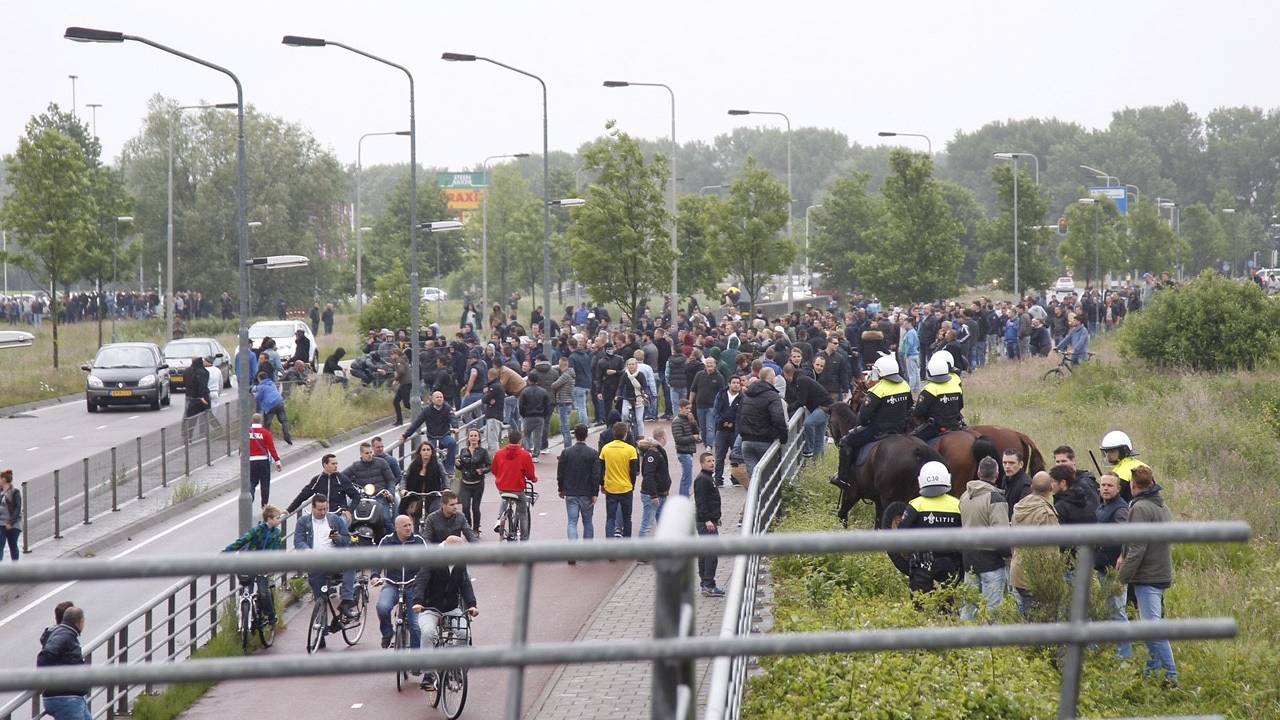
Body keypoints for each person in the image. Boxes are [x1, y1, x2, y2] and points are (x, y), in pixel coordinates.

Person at [1118, 466, 1177, 687]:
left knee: (1153, 627)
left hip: (1148, 576)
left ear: (1133, 485)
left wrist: (1121, 578)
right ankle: (1151, 672)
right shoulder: (1161, 505)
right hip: (1160, 571)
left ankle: (1172, 676)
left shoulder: (1140, 508)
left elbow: (1137, 548)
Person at [410, 535, 480, 692]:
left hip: (451, 609)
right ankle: (428, 675)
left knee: (464, 633)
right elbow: (421, 581)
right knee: (428, 632)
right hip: (430, 608)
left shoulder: (460, 563)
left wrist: (472, 605)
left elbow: (465, 585)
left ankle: (454, 666)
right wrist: (417, 602)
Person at [839, 355, 913, 484]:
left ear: (879, 372)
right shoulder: (905, 385)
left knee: (846, 441)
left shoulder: (877, 390)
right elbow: (909, 407)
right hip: (901, 428)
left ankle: (844, 478)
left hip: (878, 430)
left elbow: (863, 418)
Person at [899, 461, 963, 596]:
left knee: (920, 604)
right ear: (947, 478)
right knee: (947, 603)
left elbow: (901, 534)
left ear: (921, 481)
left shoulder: (916, 505)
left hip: (922, 564)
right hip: (950, 564)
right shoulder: (957, 505)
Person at [958, 457, 1010, 620]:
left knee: (969, 607)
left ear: (979, 472)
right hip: (991, 560)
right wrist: (1007, 555)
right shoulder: (995, 498)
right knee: (993, 609)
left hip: (969, 557)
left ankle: (962, 641)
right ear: (997, 474)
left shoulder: (965, 496)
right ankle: (992, 643)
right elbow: (1001, 534)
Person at [293, 494, 357, 620]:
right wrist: (307, 551)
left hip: (334, 560)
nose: (323, 512)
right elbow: (298, 541)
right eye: (320, 509)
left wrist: (338, 539)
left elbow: (347, 539)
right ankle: (321, 630)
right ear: (312, 508)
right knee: (320, 599)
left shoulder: (334, 519)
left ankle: (346, 601)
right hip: (315, 563)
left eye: (325, 509)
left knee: (351, 563)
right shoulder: (303, 522)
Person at [224, 504, 285, 626]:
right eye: (277, 518)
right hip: (251, 563)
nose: (279, 520)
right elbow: (242, 540)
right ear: (269, 519)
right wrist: (227, 551)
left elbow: (275, 551)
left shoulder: (276, 533)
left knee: (263, 592)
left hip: (265, 566)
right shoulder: (257, 530)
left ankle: (271, 616)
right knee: (248, 590)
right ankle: (246, 618)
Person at [1009, 472, 1059, 617]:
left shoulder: (1019, 508)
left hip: (1018, 570)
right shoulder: (1046, 514)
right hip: (1037, 575)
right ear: (1051, 488)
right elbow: (1051, 550)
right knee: (1042, 620)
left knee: (1025, 616)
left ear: (1031, 487)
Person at [1095, 473, 1132, 660]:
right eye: (1103, 485)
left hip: (1114, 569)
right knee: (1109, 610)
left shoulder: (1120, 509)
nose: (1106, 488)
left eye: (1110, 485)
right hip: (1102, 566)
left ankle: (1124, 656)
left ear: (1118, 489)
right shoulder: (1102, 506)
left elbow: (1125, 535)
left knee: (1117, 611)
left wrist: (1122, 555)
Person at [38, 605, 90, 720]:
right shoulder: (64, 635)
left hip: (72, 696)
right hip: (65, 697)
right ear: (80, 621)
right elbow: (46, 655)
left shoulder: (64, 633)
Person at [737, 368, 788, 481]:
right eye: (774, 377)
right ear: (770, 379)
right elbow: (778, 418)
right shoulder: (772, 396)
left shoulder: (747, 395)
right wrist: (783, 437)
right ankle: (764, 498)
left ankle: (755, 498)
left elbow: (739, 416)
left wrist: (742, 433)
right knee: (768, 478)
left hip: (746, 441)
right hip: (765, 440)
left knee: (754, 478)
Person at [557, 425, 599, 556]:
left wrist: (561, 488)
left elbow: (561, 473)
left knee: (572, 522)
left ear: (574, 435)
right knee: (587, 522)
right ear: (586, 435)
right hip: (586, 492)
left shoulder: (566, 452)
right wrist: (595, 493)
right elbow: (595, 475)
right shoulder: (592, 453)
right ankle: (587, 552)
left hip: (571, 492)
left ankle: (573, 552)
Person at [491, 429, 537, 540]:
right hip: (517, 488)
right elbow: (530, 473)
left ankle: (499, 520)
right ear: (520, 441)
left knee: (504, 498)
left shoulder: (499, 454)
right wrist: (533, 479)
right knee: (523, 512)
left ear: (508, 440)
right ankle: (524, 539)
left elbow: (494, 470)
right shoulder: (524, 455)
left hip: (502, 487)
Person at [402, 391, 460, 476]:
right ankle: (427, 469)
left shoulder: (447, 408)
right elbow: (417, 423)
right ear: (432, 399)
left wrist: (455, 427)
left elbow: (453, 418)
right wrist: (406, 435)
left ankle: (449, 468)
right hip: (432, 437)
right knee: (428, 451)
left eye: (441, 397)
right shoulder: (427, 410)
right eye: (437, 397)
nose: (439, 399)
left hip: (444, 435)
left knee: (452, 443)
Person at [599, 422, 640, 539]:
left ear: (613, 433)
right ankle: (626, 546)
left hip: (611, 487)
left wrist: (602, 483)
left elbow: (601, 468)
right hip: (626, 487)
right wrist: (632, 484)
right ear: (625, 434)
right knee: (627, 518)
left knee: (610, 518)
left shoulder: (606, 449)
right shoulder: (631, 450)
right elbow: (633, 470)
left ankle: (610, 547)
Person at [912, 353, 964, 443]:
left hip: (934, 428)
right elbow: (960, 406)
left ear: (930, 372)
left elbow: (919, 412)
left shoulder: (929, 389)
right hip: (955, 425)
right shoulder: (956, 387)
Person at [285, 454, 359, 518]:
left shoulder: (342, 479)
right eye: (333, 464)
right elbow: (302, 496)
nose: (336, 466)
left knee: (340, 529)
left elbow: (356, 496)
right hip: (321, 516)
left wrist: (349, 511)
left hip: (338, 515)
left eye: (336, 463)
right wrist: (289, 510)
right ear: (325, 465)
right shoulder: (317, 480)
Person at [693, 452, 725, 597]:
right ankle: (708, 584)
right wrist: (707, 520)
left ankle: (705, 583)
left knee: (705, 552)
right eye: (708, 461)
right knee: (711, 554)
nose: (712, 463)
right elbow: (701, 502)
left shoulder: (708, 478)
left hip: (709, 521)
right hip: (705, 523)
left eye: (713, 460)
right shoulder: (702, 480)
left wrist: (716, 518)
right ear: (702, 463)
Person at [637, 430, 672, 539]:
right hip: (653, 495)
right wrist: (653, 495)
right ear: (663, 437)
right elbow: (648, 475)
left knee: (663, 525)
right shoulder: (653, 453)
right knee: (647, 525)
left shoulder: (658, 451)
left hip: (661, 494)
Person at [711, 376, 744, 486]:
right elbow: (716, 410)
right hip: (721, 430)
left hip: (735, 430)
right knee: (720, 455)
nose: (736, 385)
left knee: (735, 455)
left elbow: (741, 414)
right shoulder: (721, 395)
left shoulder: (742, 398)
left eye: (738, 383)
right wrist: (722, 422)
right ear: (729, 384)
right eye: (734, 383)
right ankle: (718, 478)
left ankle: (735, 478)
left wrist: (734, 423)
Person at [456, 429, 491, 532]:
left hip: (478, 484)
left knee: (475, 508)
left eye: (475, 435)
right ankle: (468, 528)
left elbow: (490, 466)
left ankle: (476, 529)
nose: (473, 438)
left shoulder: (483, 452)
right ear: (468, 438)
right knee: (465, 508)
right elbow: (461, 467)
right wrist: (457, 464)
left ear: (479, 438)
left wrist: (482, 470)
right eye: (471, 435)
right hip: (465, 483)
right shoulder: (463, 451)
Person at [403, 441, 449, 519]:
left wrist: (446, 488)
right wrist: (403, 489)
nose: (426, 452)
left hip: (433, 495)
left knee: (434, 512)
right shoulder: (414, 464)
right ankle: (415, 530)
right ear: (420, 452)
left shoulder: (437, 464)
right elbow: (405, 477)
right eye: (423, 450)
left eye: (428, 450)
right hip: (416, 495)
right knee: (413, 513)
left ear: (432, 452)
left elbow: (444, 476)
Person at [689, 356, 726, 448]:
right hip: (700, 405)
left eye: (711, 363)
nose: (709, 365)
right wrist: (690, 402)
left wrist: (722, 406)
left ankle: (709, 446)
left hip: (712, 406)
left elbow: (722, 393)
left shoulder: (719, 377)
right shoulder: (699, 375)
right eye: (707, 363)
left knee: (710, 427)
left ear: (715, 365)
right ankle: (706, 444)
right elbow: (693, 389)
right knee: (703, 428)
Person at [248, 414, 283, 507]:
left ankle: (250, 495)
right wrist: (277, 461)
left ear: (252, 421)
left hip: (251, 461)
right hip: (263, 460)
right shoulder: (266, 433)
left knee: (251, 481)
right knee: (265, 483)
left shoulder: (247, 432)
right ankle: (264, 505)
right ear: (261, 421)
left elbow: (242, 447)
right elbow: (271, 448)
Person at [1101, 430, 1147, 500]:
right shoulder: (1143, 465)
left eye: (1112, 451)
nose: (1108, 455)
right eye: (1106, 452)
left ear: (1123, 450)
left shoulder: (1121, 472)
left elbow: (1112, 498)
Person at [670, 400, 701, 497]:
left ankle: (684, 497)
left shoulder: (688, 419)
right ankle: (684, 498)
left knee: (688, 476)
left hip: (689, 451)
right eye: (686, 408)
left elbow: (696, 432)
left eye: (689, 408)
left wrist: (693, 422)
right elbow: (678, 439)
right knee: (687, 477)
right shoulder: (677, 421)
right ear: (681, 408)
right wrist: (693, 438)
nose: (688, 411)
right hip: (683, 452)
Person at [253, 371, 293, 445]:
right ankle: (287, 436)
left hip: (270, 406)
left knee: (267, 424)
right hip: (279, 402)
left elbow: (258, 397)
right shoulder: (272, 383)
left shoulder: (261, 387)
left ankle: (266, 440)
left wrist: (254, 394)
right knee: (284, 420)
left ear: (260, 379)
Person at [518, 378, 552, 463]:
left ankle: (528, 451)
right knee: (537, 437)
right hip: (539, 416)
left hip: (528, 416)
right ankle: (535, 455)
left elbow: (521, 405)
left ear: (529, 380)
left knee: (526, 435)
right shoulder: (543, 391)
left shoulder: (525, 391)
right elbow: (547, 405)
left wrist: (524, 415)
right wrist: (544, 415)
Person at [184, 354, 211, 439]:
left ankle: (189, 435)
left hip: (197, 398)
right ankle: (203, 434)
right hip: (203, 397)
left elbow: (201, 385)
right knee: (205, 416)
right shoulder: (205, 372)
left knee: (191, 418)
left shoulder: (196, 373)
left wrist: (201, 397)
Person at [551, 355, 577, 447]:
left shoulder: (565, 375)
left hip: (563, 403)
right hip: (568, 402)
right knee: (565, 426)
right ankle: (567, 446)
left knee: (565, 427)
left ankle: (568, 447)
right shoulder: (571, 373)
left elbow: (554, 385)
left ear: (561, 365)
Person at [482, 366, 506, 451]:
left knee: (492, 441)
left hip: (493, 416)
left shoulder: (494, 387)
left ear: (489, 375)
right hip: (497, 415)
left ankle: (496, 461)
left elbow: (484, 399)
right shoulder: (498, 385)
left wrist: (486, 395)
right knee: (493, 439)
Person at [0, 469, 22, 561]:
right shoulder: (0, 493)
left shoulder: (14, 492)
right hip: (1, 523)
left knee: (13, 545)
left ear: (4, 479)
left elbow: (17, 508)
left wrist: (11, 522)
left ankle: (15, 567)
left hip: (13, 524)